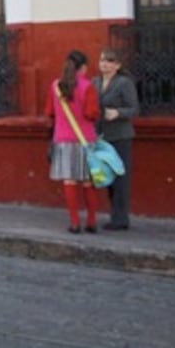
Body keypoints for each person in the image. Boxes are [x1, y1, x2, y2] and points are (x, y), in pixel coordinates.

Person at [45, 50, 101, 234]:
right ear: (83, 67)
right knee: (88, 182)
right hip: (86, 140)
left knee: (69, 181)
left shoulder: (55, 86)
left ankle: (74, 222)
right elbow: (91, 113)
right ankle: (91, 221)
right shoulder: (88, 86)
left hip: (62, 140)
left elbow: (49, 112)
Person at [93, 47, 139, 231]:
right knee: (106, 176)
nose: (104, 64)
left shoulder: (124, 83)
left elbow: (134, 109)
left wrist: (118, 112)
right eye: (102, 60)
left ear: (118, 65)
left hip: (120, 136)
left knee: (120, 177)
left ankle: (120, 218)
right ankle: (114, 215)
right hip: (101, 137)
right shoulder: (94, 82)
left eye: (109, 61)